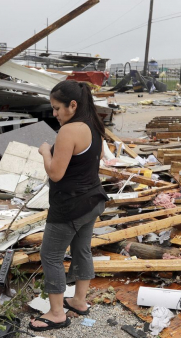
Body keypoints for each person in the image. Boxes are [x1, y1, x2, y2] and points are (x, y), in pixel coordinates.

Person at [29, 80, 108, 332]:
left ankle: (56, 314)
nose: (54, 114)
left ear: (72, 105)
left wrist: (44, 152)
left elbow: (55, 173)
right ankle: (79, 301)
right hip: (92, 200)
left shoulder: (69, 131)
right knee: (82, 249)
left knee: (50, 255)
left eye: (56, 108)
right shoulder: (93, 124)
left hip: (70, 206)